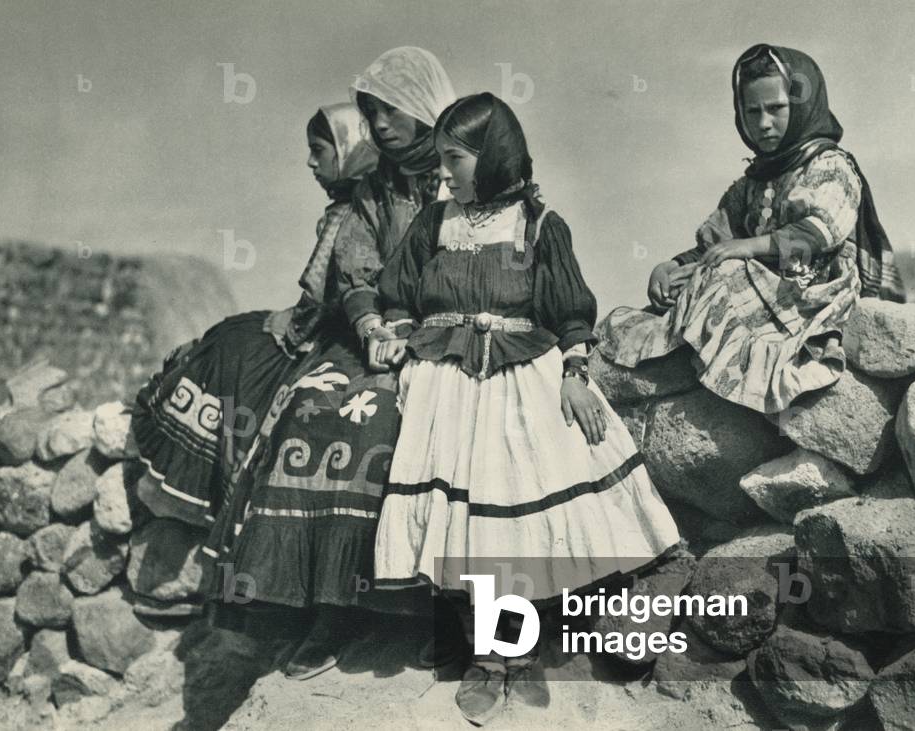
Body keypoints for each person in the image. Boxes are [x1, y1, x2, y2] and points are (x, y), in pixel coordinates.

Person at [367, 92, 681, 725]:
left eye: (455, 158)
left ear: (493, 156)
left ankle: (519, 652)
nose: (445, 171)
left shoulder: (540, 225)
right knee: (457, 525)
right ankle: (483, 655)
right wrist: (401, 347)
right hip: (446, 382)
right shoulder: (433, 224)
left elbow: (568, 311)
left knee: (519, 518)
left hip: (521, 376)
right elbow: (397, 294)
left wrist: (574, 374)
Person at [207, 46, 457, 681]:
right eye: (370, 115)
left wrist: (421, 325)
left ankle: (432, 607)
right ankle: (330, 607)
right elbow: (355, 261)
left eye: (390, 111)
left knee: (389, 424)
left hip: (448, 335)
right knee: (311, 409)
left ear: (424, 106)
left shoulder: (464, 174)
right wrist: (371, 320)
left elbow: (479, 261)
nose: (380, 127)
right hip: (375, 335)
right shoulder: (373, 191)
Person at [601, 44, 905, 414]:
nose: (763, 123)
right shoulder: (751, 184)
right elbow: (716, 243)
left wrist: (748, 247)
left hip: (814, 292)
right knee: (709, 272)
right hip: (762, 287)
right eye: (752, 111)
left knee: (726, 271)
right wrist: (670, 267)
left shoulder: (830, 165)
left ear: (802, 104)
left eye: (776, 108)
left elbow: (819, 234)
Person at [131, 102, 378, 531]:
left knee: (232, 342)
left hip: (334, 337)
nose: (309, 162)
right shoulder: (362, 204)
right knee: (234, 333)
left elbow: (321, 303)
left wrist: (288, 326)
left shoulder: (357, 212)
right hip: (333, 328)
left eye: (319, 150)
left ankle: (207, 485)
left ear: (347, 150)